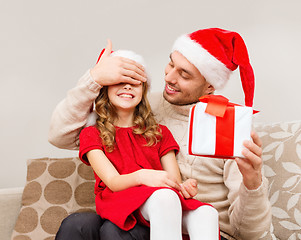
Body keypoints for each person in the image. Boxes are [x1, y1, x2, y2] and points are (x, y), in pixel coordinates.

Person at [49, 28, 272, 240]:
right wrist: (94, 78)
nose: (169, 78)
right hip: (135, 206)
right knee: (76, 225)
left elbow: (252, 233)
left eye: (184, 74)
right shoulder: (140, 106)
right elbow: (60, 135)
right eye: (171, 64)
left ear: (209, 87)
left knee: (116, 231)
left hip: (187, 217)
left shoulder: (229, 128)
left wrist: (252, 183)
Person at [78, 49, 220, 240]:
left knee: (207, 213)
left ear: (143, 90)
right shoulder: (92, 133)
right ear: (106, 89)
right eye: (120, 81)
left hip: (161, 200)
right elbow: (113, 182)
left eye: (135, 82)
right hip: (121, 199)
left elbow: (173, 181)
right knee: (165, 198)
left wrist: (184, 187)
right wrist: (143, 176)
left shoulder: (159, 132)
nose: (128, 86)